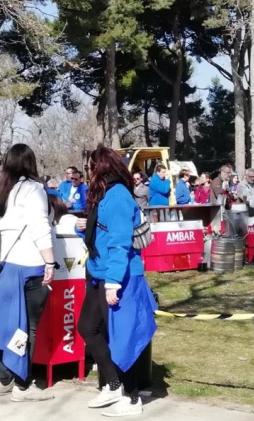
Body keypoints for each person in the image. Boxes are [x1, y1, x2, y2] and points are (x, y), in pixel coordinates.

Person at [76, 147, 157, 417]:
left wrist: (112, 282)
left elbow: (120, 243)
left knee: (123, 339)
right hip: (101, 273)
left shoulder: (119, 196)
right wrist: (83, 228)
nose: (87, 172)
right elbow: (103, 235)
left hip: (121, 277)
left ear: (101, 168)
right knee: (88, 328)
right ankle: (113, 385)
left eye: (90, 167)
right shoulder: (104, 195)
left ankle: (132, 399)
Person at [0, 143, 55, 402]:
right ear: (31, 163)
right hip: (28, 265)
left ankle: (3, 379)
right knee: (26, 328)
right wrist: (50, 262)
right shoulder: (33, 190)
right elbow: (40, 227)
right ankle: (23, 384)